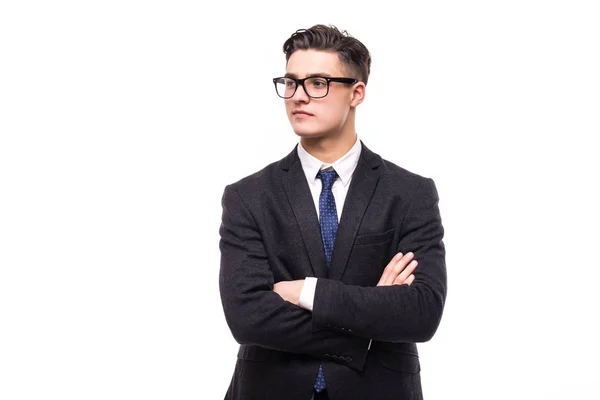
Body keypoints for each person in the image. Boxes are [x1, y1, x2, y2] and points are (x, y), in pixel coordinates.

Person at [218, 24, 447, 400]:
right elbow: (248, 317)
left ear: (356, 93)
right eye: (291, 83)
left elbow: (421, 312)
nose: (298, 97)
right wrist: (369, 323)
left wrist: (307, 292)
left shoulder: (410, 194)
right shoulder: (248, 196)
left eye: (318, 83)